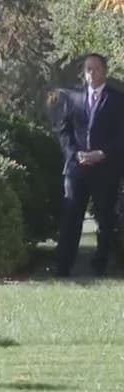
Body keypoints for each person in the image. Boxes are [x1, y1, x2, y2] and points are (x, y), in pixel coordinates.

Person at [55, 53, 124, 277]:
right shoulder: (73, 98)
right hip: (77, 169)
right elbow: (64, 132)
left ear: (104, 71)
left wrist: (102, 153)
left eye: (95, 69)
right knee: (71, 216)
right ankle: (63, 267)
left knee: (105, 219)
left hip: (105, 169)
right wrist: (75, 155)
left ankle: (100, 265)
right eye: (87, 69)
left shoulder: (117, 99)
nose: (91, 73)